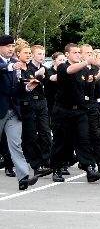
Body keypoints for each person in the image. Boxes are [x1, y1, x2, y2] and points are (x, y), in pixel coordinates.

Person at [49, 43, 100, 183]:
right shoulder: (63, 67)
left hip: (79, 111)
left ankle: (89, 169)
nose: (77, 55)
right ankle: (57, 169)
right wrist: (86, 62)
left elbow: (87, 92)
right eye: (74, 52)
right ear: (67, 54)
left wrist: (91, 81)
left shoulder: (85, 71)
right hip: (63, 110)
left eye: (78, 52)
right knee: (60, 141)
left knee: (83, 139)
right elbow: (70, 70)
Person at [0, 35, 41, 190]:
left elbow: (16, 88)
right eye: (7, 46)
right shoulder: (9, 65)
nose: (11, 48)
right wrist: (10, 67)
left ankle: (23, 177)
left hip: (13, 111)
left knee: (16, 144)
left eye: (12, 46)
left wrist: (27, 88)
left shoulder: (13, 64)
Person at [14, 41, 53, 178]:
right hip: (22, 106)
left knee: (42, 132)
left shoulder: (30, 69)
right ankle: (11, 163)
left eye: (29, 53)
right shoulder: (17, 68)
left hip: (35, 103)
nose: (28, 56)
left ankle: (40, 164)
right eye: (26, 53)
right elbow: (18, 86)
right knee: (27, 137)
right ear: (18, 54)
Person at [79, 44, 100, 177]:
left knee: (97, 134)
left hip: (96, 105)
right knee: (84, 136)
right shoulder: (81, 69)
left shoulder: (95, 69)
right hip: (84, 105)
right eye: (87, 53)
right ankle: (86, 163)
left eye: (91, 53)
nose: (89, 55)